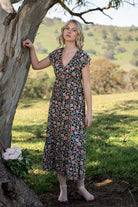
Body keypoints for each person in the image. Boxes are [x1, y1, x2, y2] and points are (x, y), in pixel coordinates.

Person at [23, 19, 94, 203]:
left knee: (76, 144)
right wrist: (32, 49)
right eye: (66, 29)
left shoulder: (83, 57)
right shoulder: (56, 54)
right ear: (63, 32)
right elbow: (37, 65)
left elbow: (86, 85)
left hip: (75, 106)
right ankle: (63, 189)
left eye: (73, 30)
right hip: (57, 106)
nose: (69, 32)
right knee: (59, 143)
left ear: (78, 34)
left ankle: (81, 187)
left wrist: (89, 111)